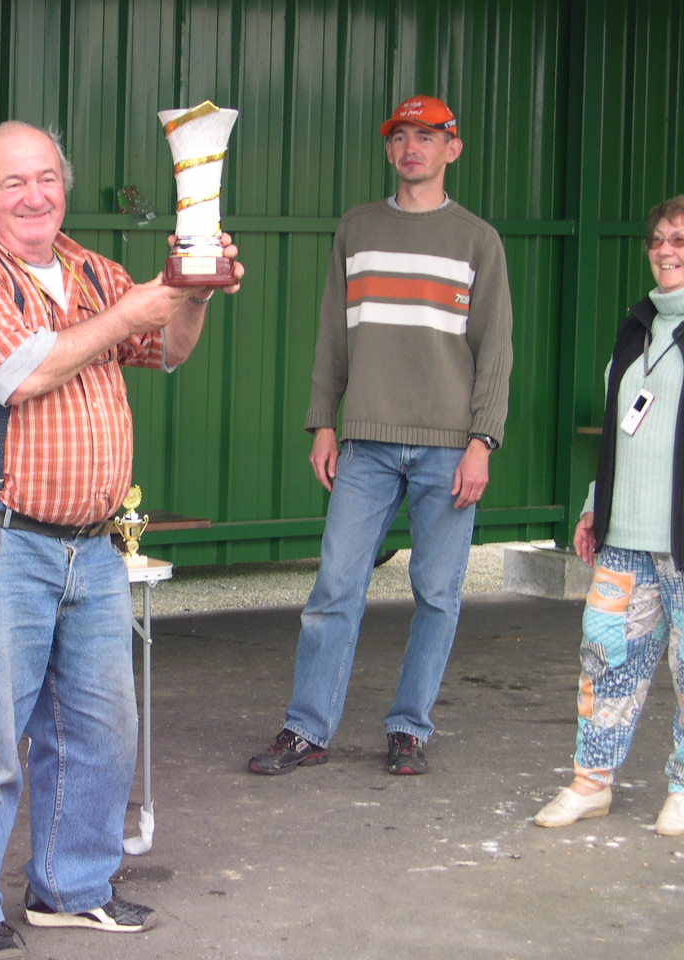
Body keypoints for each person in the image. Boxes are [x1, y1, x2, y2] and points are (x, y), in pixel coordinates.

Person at [0, 120, 242, 960]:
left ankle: (70, 887)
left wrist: (192, 290)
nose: (34, 196)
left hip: (92, 545)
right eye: (12, 183)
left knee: (100, 731)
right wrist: (134, 305)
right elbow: (21, 374)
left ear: (64, 184)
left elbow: (167, 350)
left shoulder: (95, 269)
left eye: (46, 179)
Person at [248, 95, 513, 778]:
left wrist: (483, 440)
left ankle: (410, 727)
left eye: (426, 137)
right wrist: (323, 423)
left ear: (452, 148)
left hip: (450, 446)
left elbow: (495, 350)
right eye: (400, 137)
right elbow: (333, 333)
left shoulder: (478, 239)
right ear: (389, 148)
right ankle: (307, 729)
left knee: (437, 592)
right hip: (363, 441)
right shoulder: (357, 229)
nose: (411, 148)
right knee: (334, 588)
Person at [534, 195, 684, 835]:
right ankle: (591, 782)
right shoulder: (637, 328)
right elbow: (619, 435)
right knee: (605, 657)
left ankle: (682, 788)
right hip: (625, 537)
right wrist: (596, 508)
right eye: (656, 240)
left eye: (679, 238)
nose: (665, 250)